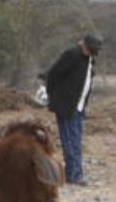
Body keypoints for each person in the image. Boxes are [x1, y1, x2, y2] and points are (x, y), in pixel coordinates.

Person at [43, 33, 102, 185]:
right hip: (67, 107)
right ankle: (73, 175)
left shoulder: (89, 59)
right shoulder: (72, 55)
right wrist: (53, 95)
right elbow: (53, 74)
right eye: (93, 47)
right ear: (84, 45)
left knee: (75, 142)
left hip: (79, 107)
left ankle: (76, 173)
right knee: (70, 141)